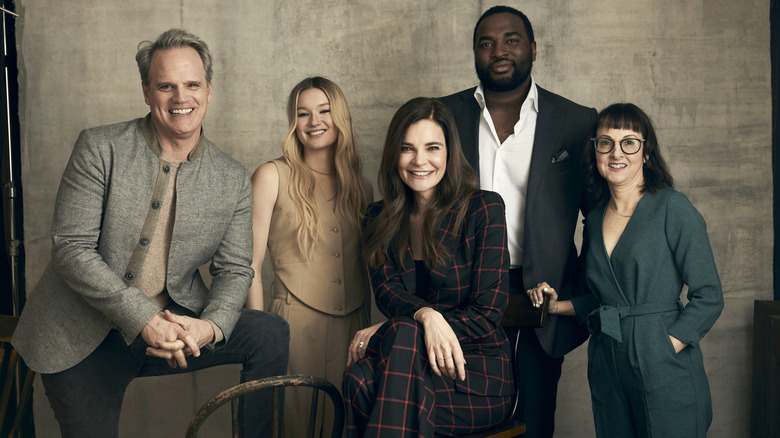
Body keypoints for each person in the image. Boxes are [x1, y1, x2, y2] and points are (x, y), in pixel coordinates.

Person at [11, 28, 289, 438]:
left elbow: (234, 270)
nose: (181, 98)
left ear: (209, 90)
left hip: (174, 324)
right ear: (146, 91)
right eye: (166, 86)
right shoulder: (99, 147)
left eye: (192, 84)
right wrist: (143, 318)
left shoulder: (230, 178)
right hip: (82, 335)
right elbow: (71, 249)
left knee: (269, 332)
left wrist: (208, 327)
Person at [439, 6, 596, 436]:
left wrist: (578, 290)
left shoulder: (576, 120)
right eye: (486, 43)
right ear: (475, 53)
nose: (499, 50)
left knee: (534, 422)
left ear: (532, 48)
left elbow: (598, 217)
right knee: (460, 419)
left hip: (540, 296)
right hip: (462, 294)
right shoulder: (443, 115)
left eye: (511, 39)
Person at [529, 103, 724, 437]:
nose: (616, 152)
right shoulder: (594, 218)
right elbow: (602, 299)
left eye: (629, 142)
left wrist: (666, 346)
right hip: (607, 357)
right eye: (605, 142)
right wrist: (552, 303)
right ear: (595, 151)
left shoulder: (672, 208)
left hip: (660, 356)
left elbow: (709, 296)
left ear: (646, 153)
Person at [343, 97, 513, 437]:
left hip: (472, 374)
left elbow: (487, 312)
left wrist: (397, 327)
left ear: (449, 152)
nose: (420, 161)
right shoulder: (378, 217)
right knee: (360, 379)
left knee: (365, 378)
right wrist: (426, 316)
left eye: (432, 147)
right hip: (407, 365)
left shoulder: (484, 209)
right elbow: (388, 294)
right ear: (394, 154)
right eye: (407, 148)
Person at [248, 76, 376, 437]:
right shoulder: (271, 175)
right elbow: (250, 266)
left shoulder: (361, 186)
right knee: (289, 426)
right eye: (302, 113)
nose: (314, 121)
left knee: (345, 426)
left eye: (324, 110)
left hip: (354, 328)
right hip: (292, 325)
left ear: (341, 117)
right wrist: (260, 336)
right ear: (293, 122)